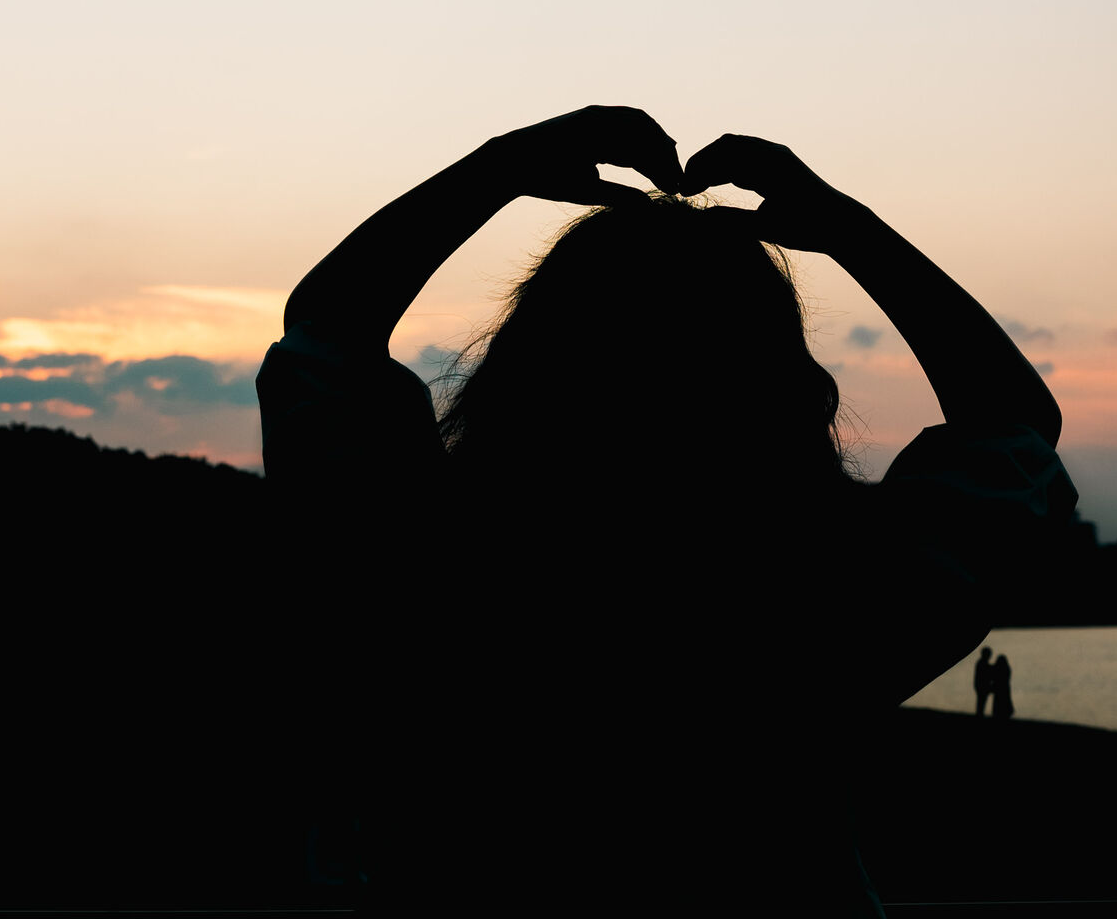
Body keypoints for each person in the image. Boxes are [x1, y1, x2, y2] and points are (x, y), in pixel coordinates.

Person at [260, 107, 1075, 914]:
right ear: (778, 392)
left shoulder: (424, 564)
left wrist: (497, 167)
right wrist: (852, 231)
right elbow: (1012, 426)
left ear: (526, 368)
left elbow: (325, 336)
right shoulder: (831, 602)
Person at [989, 653, 1015, 721]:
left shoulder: (998, 669)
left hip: (998, 691)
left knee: (998, 706)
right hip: (1005, 690)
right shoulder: (1007, 669)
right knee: (1004, 704)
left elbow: (993, 676)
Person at [973, 646, 995, 716]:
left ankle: (979, 714)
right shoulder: (982, 663)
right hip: (982, 686)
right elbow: (988, 673)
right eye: (989, 654)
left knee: (981, 702)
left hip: (980, 686)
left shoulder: (981, 663)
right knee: (981, 702)